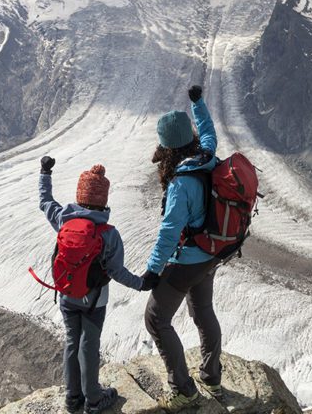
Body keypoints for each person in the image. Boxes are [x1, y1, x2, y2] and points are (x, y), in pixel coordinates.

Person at [38, 156, 148, 414]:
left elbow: (44, 200)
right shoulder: (109, 234)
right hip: (94, 301)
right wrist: (142, 284)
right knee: (89, 346)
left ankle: (72, 398)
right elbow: (117, 272)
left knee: (71, 342)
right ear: (104, 200)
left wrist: (45, 172)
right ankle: (94, 400)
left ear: (79, 195)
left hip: (66, 295)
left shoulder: (64, 219)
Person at [141, 85, 223, 410]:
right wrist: (198, 103)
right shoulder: (207, 154)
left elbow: (169, 232)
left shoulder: (180, 183)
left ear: (168, 147)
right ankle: (212, 377)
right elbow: (208, 129)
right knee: (203, 311)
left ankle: (183, 389)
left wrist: (152, 269)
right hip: (211, 254)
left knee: (156, 320)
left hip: (188, 261)